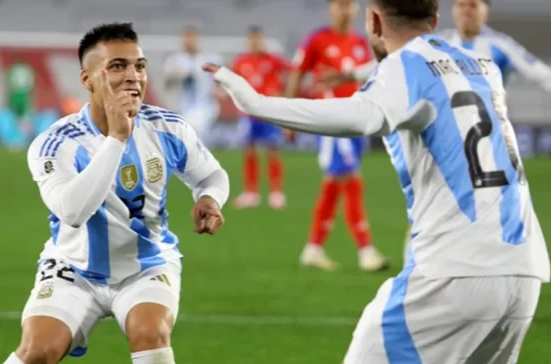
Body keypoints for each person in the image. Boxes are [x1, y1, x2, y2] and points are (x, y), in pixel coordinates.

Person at [204, 0, 551, 364]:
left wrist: (257, 104)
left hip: (457, 267)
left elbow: (362, 117)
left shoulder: (403, 67)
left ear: (372, 21)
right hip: (524, 268)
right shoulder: (482, 65)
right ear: (435, 19)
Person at [0, 22, 229, 364]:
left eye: (140, 66)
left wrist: (210, 198)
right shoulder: (55, 143)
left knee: (151, 333)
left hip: (146, 265)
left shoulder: (169, 127)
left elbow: (211, 174)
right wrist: (116, 138)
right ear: (87, 79)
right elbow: (73, 211)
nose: (132, 76)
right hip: (73, 268)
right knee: (38, 351)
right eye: (116, 66)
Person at [325, 0, 551, 262]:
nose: (466, 11)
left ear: (486, 11)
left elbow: (541, 74)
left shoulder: (499, 46)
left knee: (485, 221)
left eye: (473, 5)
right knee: (428, 218)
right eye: (460, 4)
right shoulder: (438, 42)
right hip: (443, 149)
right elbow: (394, 60)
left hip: (487, 152)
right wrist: (349, 74)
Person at [285, 0, 390, 273]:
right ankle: (365, 250)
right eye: (340, 4)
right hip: (332, 123)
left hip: (356, 122)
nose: (345, 10)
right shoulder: (317, 40)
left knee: (333, 184)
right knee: (351, 180)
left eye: (350, 5)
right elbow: (297, 73)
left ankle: (313, 248)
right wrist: (288, 117)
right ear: (331, 8)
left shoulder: (358, 42)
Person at [230, 26, 291, 209]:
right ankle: (251, 193)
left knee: (273, 148)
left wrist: (282, 93)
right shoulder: (241, 61)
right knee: (249, 150)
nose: (255, 42)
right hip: (249, 113)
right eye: (252, 39)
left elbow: (291, 71)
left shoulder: (272, 60)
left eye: (257, 38)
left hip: (269, 110)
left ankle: (276, 192)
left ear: (262, 40)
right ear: (248, 41)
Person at [162, 26, 223, 142]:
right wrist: (176, 75)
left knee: (197, 142)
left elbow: (219, 82)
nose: (188, 41)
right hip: (183, 107)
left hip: (205, 107)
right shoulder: (175, 60)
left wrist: (219, 92)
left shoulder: (208, 59)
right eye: (186, 38)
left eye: (191, 38)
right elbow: (167, 84)